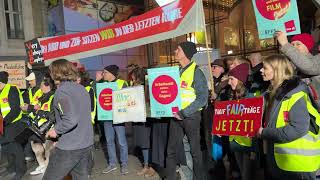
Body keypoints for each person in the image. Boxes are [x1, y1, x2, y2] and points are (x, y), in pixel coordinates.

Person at [257, 54, 319, 180]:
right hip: (283, 162)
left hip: (298, 165)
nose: (261, 70)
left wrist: (265, 132)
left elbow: (297, 129)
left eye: (265, 68)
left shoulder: (295, 95)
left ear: (277, 70)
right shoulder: (271, 94)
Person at [42, 59, 93, 180]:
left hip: (70, 147)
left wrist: (55, 131)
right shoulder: (81, 88)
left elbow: (70, 119)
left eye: (51, 72)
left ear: (55, 73)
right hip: (85, 144)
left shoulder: (62, 91)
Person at [165, 41, 208, 180]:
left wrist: (183, 113)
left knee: (195, 152)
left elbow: (202, 99)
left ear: (186, 53)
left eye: (178, 49)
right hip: (175, 116)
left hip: (190, 117)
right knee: (171, 151)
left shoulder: (197, 72)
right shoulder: (175, 72)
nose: (175, 52)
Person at [227, 62, 256, 180]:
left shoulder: (250, 98)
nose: (229, 82)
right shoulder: (232, 95)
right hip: (235, 142)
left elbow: (255, 124)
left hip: (247, 145)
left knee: (246, 176)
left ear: (239, 80)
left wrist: (254, 149)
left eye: (231, 79)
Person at [101, 65, 129, 175]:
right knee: (109, 141)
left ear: (111, 73)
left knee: (121, 142)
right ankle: (112, 164)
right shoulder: (102, 85)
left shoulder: (122, 83)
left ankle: (124, 164)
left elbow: (128, 99)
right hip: (107, 118)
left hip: (119, 117)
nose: (103, 74)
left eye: (105, 72)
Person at [0, 71, 27, 179]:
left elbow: (15, 110)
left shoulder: (12, 89)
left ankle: (21, 169)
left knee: (15, 147)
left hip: (14, 123)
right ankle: (11, 167)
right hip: (4, 125)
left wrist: (3, 122)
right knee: (6, 147)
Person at [131, 67, 156, 177]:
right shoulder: (137, 86)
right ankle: (147, 165)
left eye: (132, 75)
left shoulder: (143, 87)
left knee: (146, 143)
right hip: (139, 118)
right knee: (144, 143)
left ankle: (149, 166)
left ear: (136, 76)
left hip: (144, 119)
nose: (131, 77)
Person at [29, 78, 55, 175]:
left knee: (48, 149)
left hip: (48, 127)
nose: (40, 88)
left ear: (47, 86)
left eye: (41, 86)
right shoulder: (42, 97)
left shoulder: (53, 97)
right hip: (37, 127)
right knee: (35, 145)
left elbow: (52, 115)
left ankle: (47, 167)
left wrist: (39, 111)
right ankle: (42, 165)